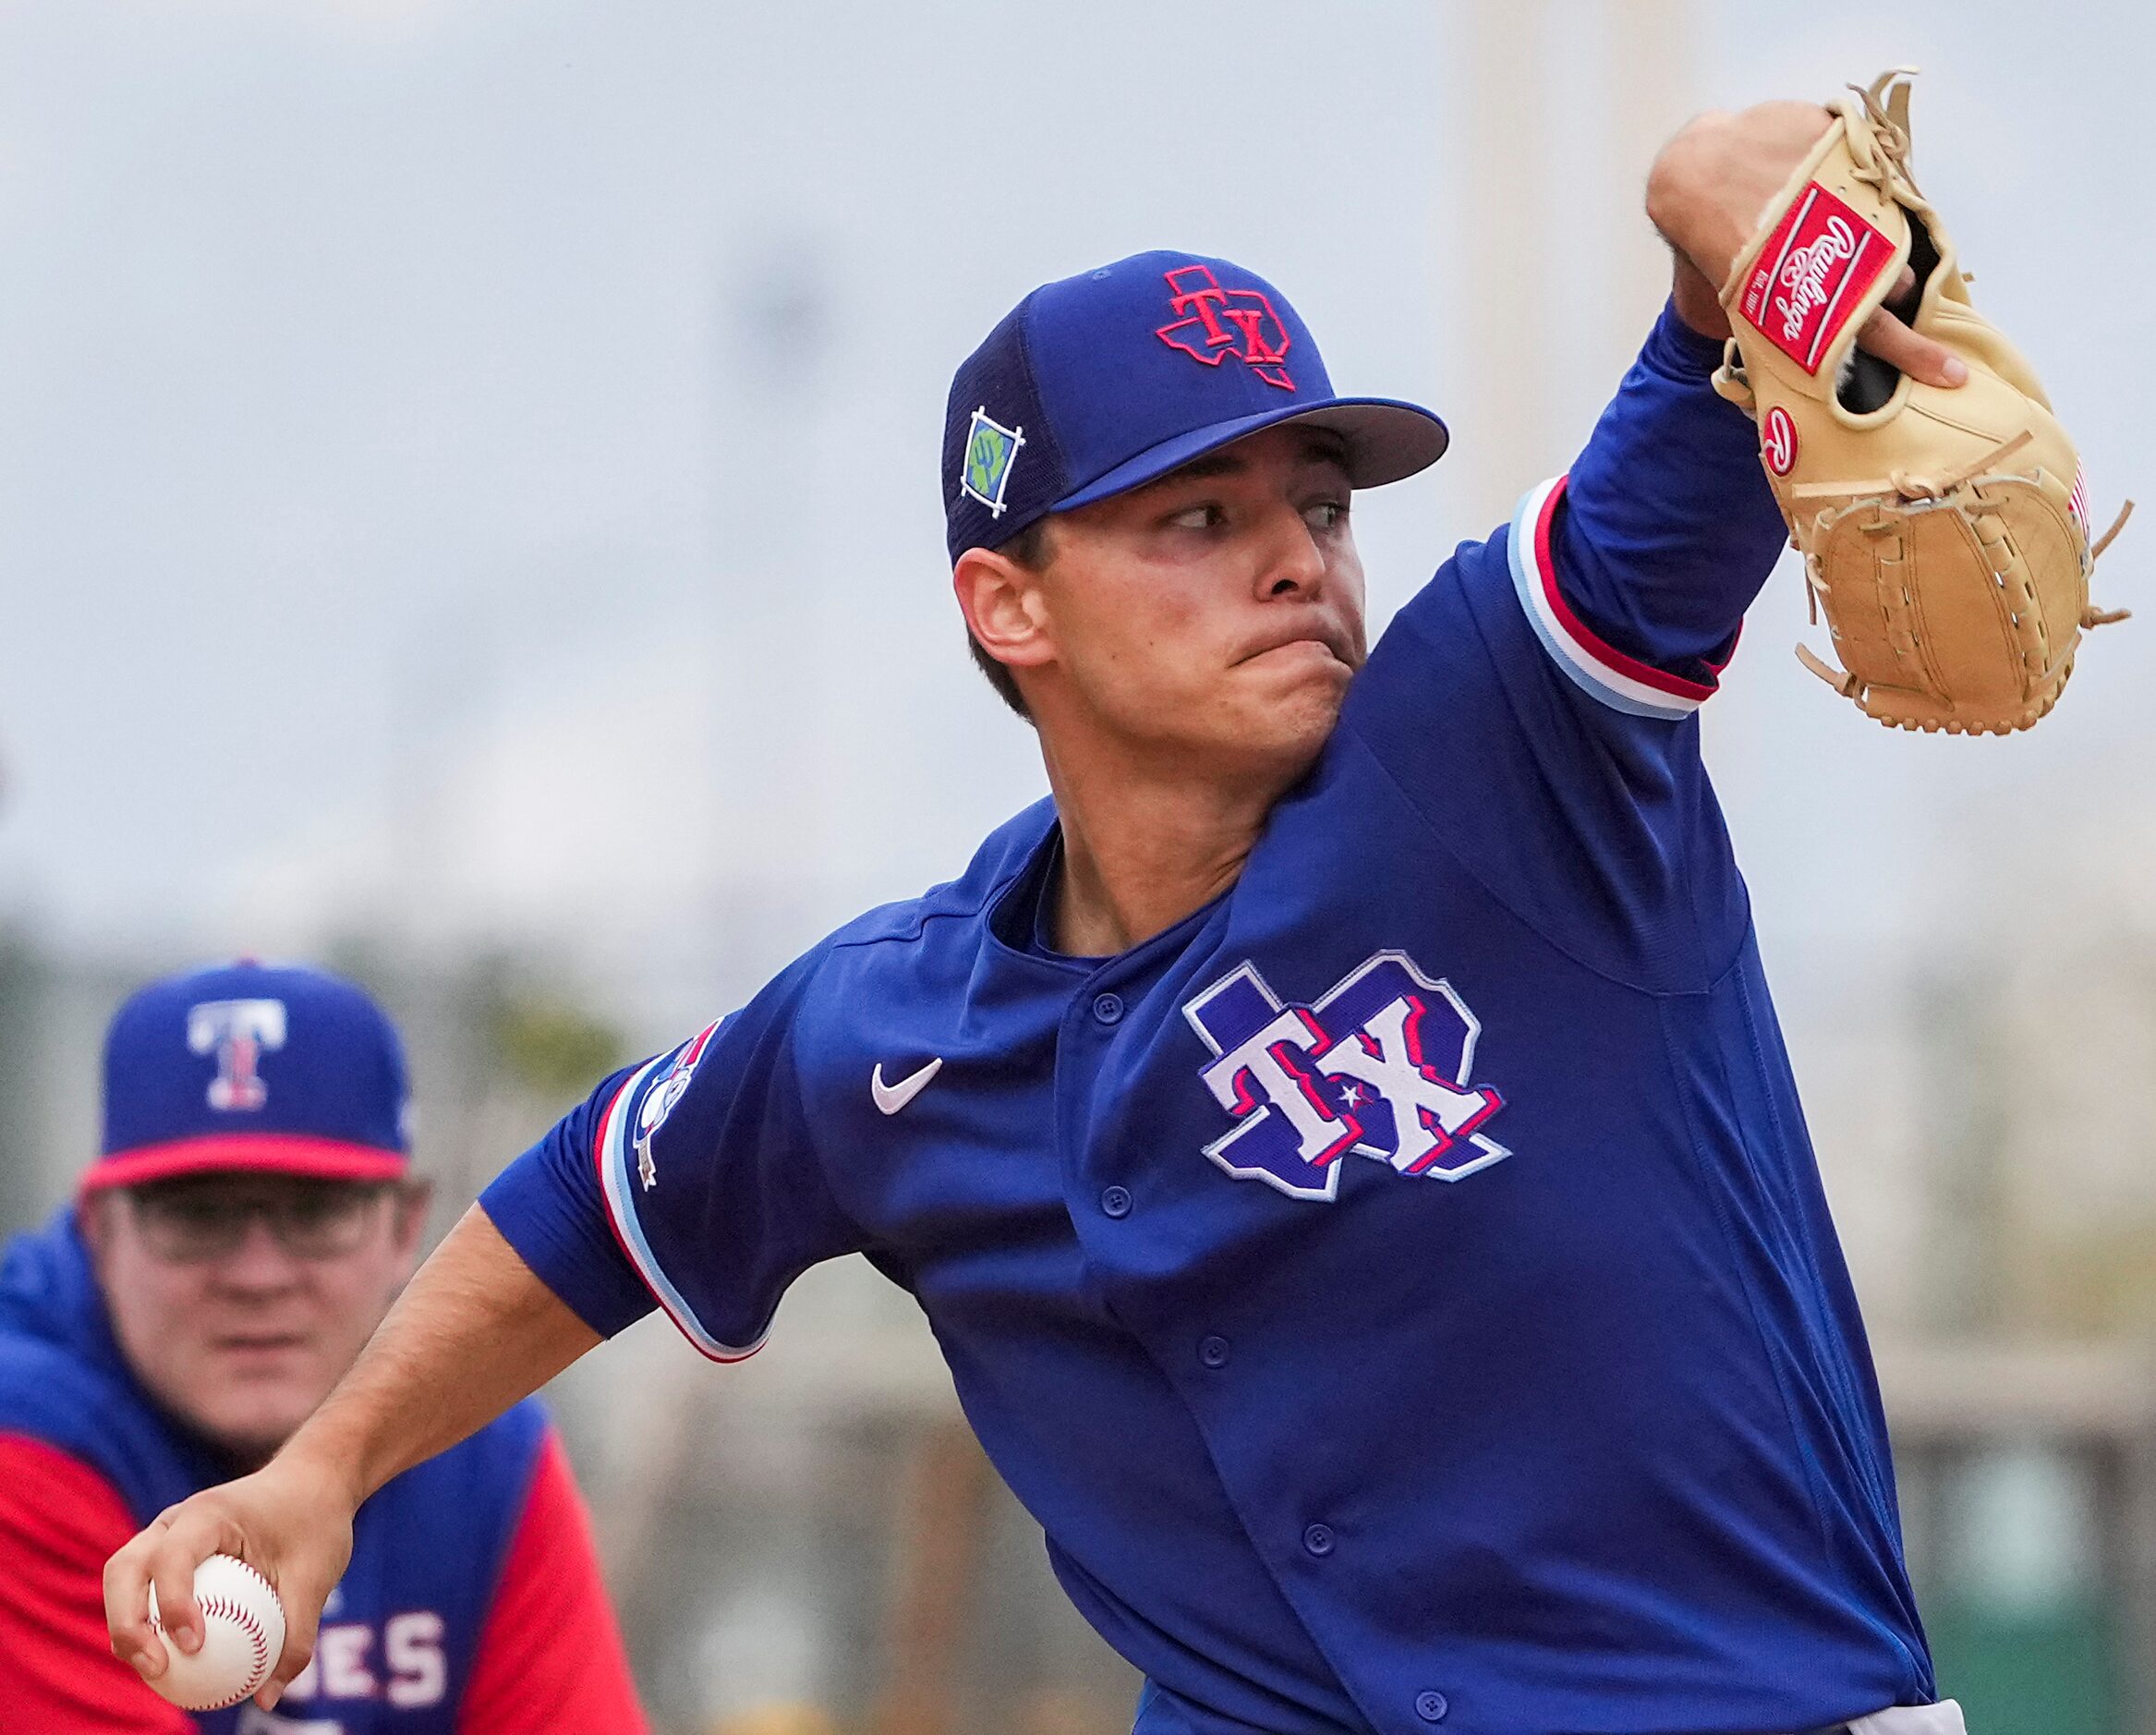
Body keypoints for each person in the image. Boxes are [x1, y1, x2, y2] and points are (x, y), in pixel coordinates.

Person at [114, 100, 1976, 1735]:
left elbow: (1730, 311)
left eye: (1319, 503)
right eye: (1195, 514)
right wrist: (324, 1471)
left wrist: (1736, 195)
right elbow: (596, 1201)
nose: (1295, 556)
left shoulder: (1503, 749)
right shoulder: (890, 1034)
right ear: (1009, 605)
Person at [0, 960, 645, 1733]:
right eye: (197, 1217)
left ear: (407, 1229)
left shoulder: (483, 1449)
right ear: (99, 1231)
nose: (259, 1275)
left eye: (316, 1213)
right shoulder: (22, 1435)